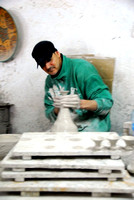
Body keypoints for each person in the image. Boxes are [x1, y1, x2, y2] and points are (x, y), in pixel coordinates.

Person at [32, 40, 113, 132]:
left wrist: (80, 103)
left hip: (92, 127)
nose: (47, 66)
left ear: (57, 54)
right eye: (42, 64)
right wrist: (57, 108)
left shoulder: (82, 69)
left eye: (49, 60)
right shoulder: (50, 81)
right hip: (67, 127)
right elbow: (49, 112)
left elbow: (107, 103)